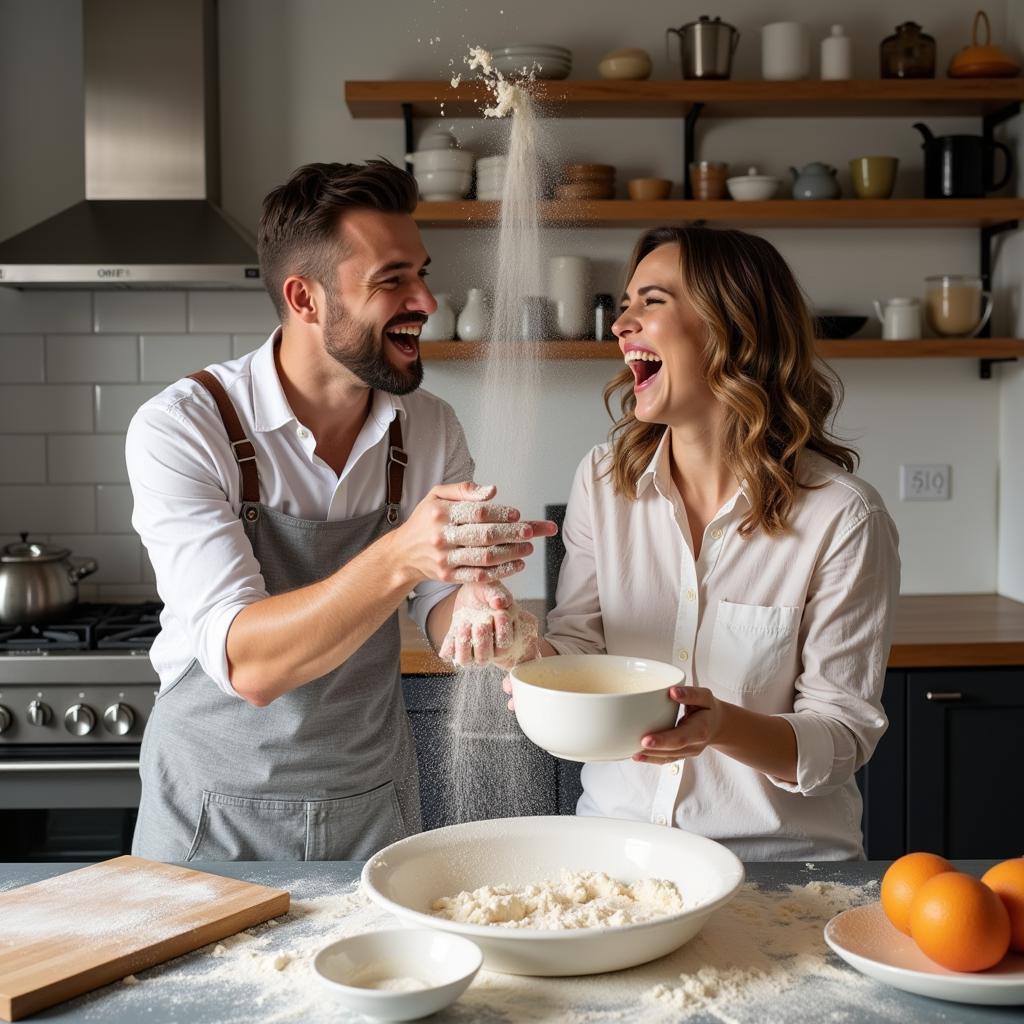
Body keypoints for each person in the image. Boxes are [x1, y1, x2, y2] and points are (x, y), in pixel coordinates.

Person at [126, 160, 554, 862]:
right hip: (211, 818)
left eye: (420, 272)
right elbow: (250, 664)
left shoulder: (429, 427)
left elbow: (441, 599)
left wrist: (478, 610)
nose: (426, 300)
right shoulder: (183, 427)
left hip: (371, 810)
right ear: (306, 298)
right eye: (392, 280)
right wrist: (404, 552)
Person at [500, 225, 900, 860]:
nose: (621, 324)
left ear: (732, 326)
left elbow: (840, 738)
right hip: (615, 852)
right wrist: (520, 645)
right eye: (625, 303)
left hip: (776, 872)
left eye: (651, 302)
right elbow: (580, 647)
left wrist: (723, 728)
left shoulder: (842, 518)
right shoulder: (605, 482)